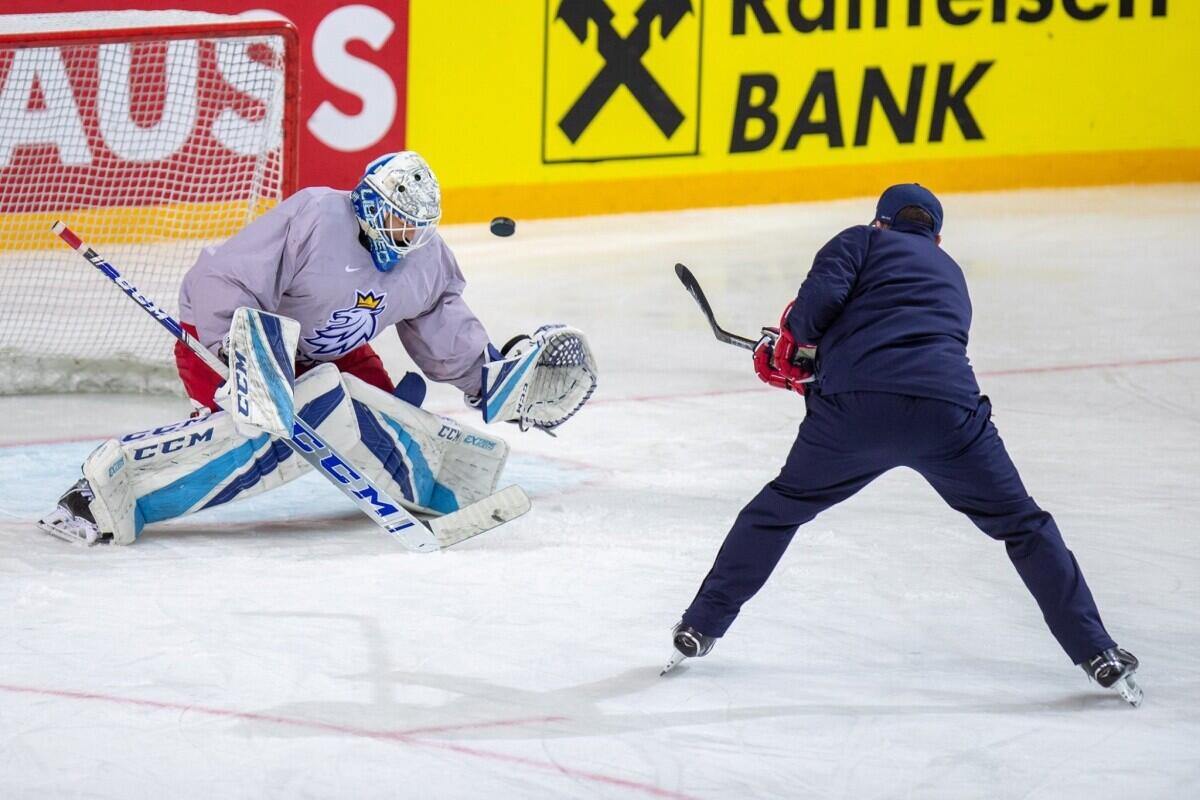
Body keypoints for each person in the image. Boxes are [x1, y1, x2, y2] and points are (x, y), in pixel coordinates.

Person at [664, 184, 1142, 707]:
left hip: (852, 414)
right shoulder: (951, 271)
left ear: (881, 222)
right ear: (936, 238)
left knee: (777, 512)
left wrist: (794, 351)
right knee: (1024, 526)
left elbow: (816, 311)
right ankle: (1097, 651)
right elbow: (911, 338)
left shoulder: (860, 241)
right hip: (949, 415)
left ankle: (700, 626)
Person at [38, 151, 596, 546]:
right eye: (400, 220)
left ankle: (430, 475)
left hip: (329, 354)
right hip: (240, 339)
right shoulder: (315, 216)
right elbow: (224, 279)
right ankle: (103, 492)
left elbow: (440, 319)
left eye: (418, 226)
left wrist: (486, 379)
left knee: (378, 414)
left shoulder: (426, 259)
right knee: (255, 436)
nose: (409, 236)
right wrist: (242, 357)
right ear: (370, 204)